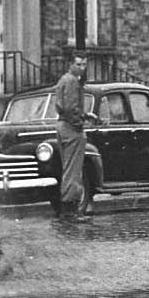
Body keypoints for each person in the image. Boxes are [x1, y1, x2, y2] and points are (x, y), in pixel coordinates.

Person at [50, 55, 91, 220]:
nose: (82, 67)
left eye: (84, 64)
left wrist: (85, 114)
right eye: (78, 64)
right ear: (70, 64)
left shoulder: (63, 80)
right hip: (71, 128)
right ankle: (70, 210)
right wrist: (79, 122)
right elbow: (70, 107)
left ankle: (67, 209)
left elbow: (63, 105)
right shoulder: (73, 81)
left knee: (68, 168)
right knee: (73, 170)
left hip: (62, 125)